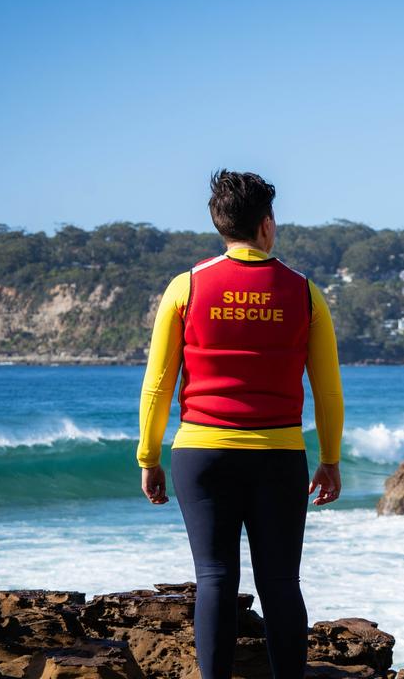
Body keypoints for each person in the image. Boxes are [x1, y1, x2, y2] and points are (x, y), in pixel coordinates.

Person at [136, 170, 344, 679]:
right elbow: (328, 390)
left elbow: (158, 385)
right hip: (278, 456)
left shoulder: (186, 287)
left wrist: (148, 456)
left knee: (213, 578)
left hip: (202, 455)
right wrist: (331, 460)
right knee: (280, 583)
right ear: (267, 226)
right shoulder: (304, 292)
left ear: (219, 223)